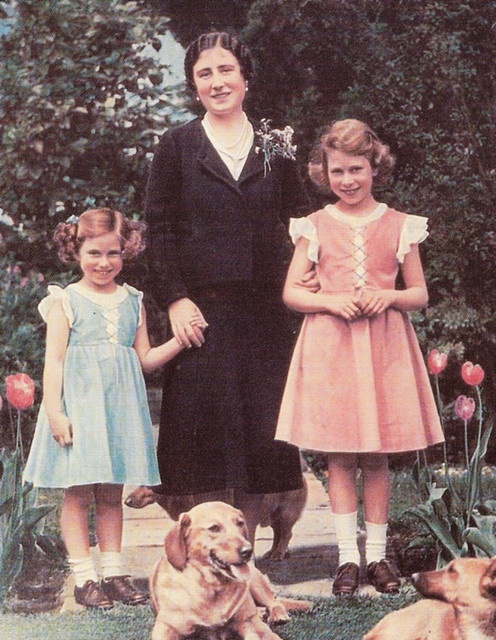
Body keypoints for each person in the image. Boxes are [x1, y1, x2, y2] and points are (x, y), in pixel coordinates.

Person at [137, 31, 314, 542]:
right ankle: (203, 547)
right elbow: (161, 228)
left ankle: (249, 548)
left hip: (267, 312)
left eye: (226, 70)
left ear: (245, 77)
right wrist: (174, 298)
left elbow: (300, 222)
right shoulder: (177, 145)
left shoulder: (274, 145)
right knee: (204, 433)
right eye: (205, 74)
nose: (217, 82)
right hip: (202, 312)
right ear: (194, 86)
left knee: (265, 431)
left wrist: (307, 282)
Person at [275, 119, 444, 595]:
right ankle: (347, 558)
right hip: (332, 347)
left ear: (375, 167)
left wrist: (387, 297)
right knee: (339, 456)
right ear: (322, 173)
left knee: (376, 456)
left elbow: (418, 293)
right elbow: (291, 291)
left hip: (382, 347)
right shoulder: (315, 225)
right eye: (337, 171)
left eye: (357, 169)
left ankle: (378, 558)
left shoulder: (399, 224)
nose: (348, 180)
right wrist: (329, 300)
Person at [23, 208, 206, 610]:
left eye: (113, 253)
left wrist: (180, 340)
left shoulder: (133, 301)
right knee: (78, 493)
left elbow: (143, 359)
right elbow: (53, 362)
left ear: (126, 252)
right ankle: (84, 577)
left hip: (119, 409)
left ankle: (114, 572)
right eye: (93, 253)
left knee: (110, 493)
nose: (104, 263)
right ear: (76, 251)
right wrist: (55, 412)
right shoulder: (64, 301)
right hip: (81, 408)